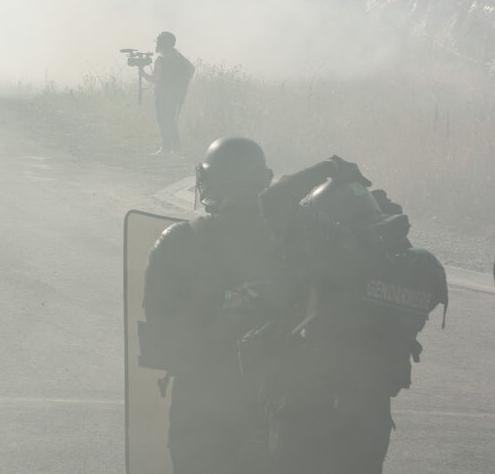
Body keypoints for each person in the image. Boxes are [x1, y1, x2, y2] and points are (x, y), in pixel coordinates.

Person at [256, 156, 448, 474]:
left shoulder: (323, 251)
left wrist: (326, 168)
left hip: (307, 408)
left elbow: (271, 200)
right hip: (369, 413)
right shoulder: (403, 264)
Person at [141, 137, 276, 474]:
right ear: (262, 181)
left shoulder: (179, 241)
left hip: (200, 402)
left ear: (210, 181)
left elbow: (158, 325)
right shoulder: (293, 242)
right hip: (272, 404)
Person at [142, 31, 194, 157]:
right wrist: (182, 83)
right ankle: (176, 149)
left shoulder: (161, 60)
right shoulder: (179, 57)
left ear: (161, 44)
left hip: (163, 94)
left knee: (163, 120)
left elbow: (156, 79)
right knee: (172, 121)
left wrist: (143, 74)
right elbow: (191, 69)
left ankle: (166, 149)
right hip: (177, 94)